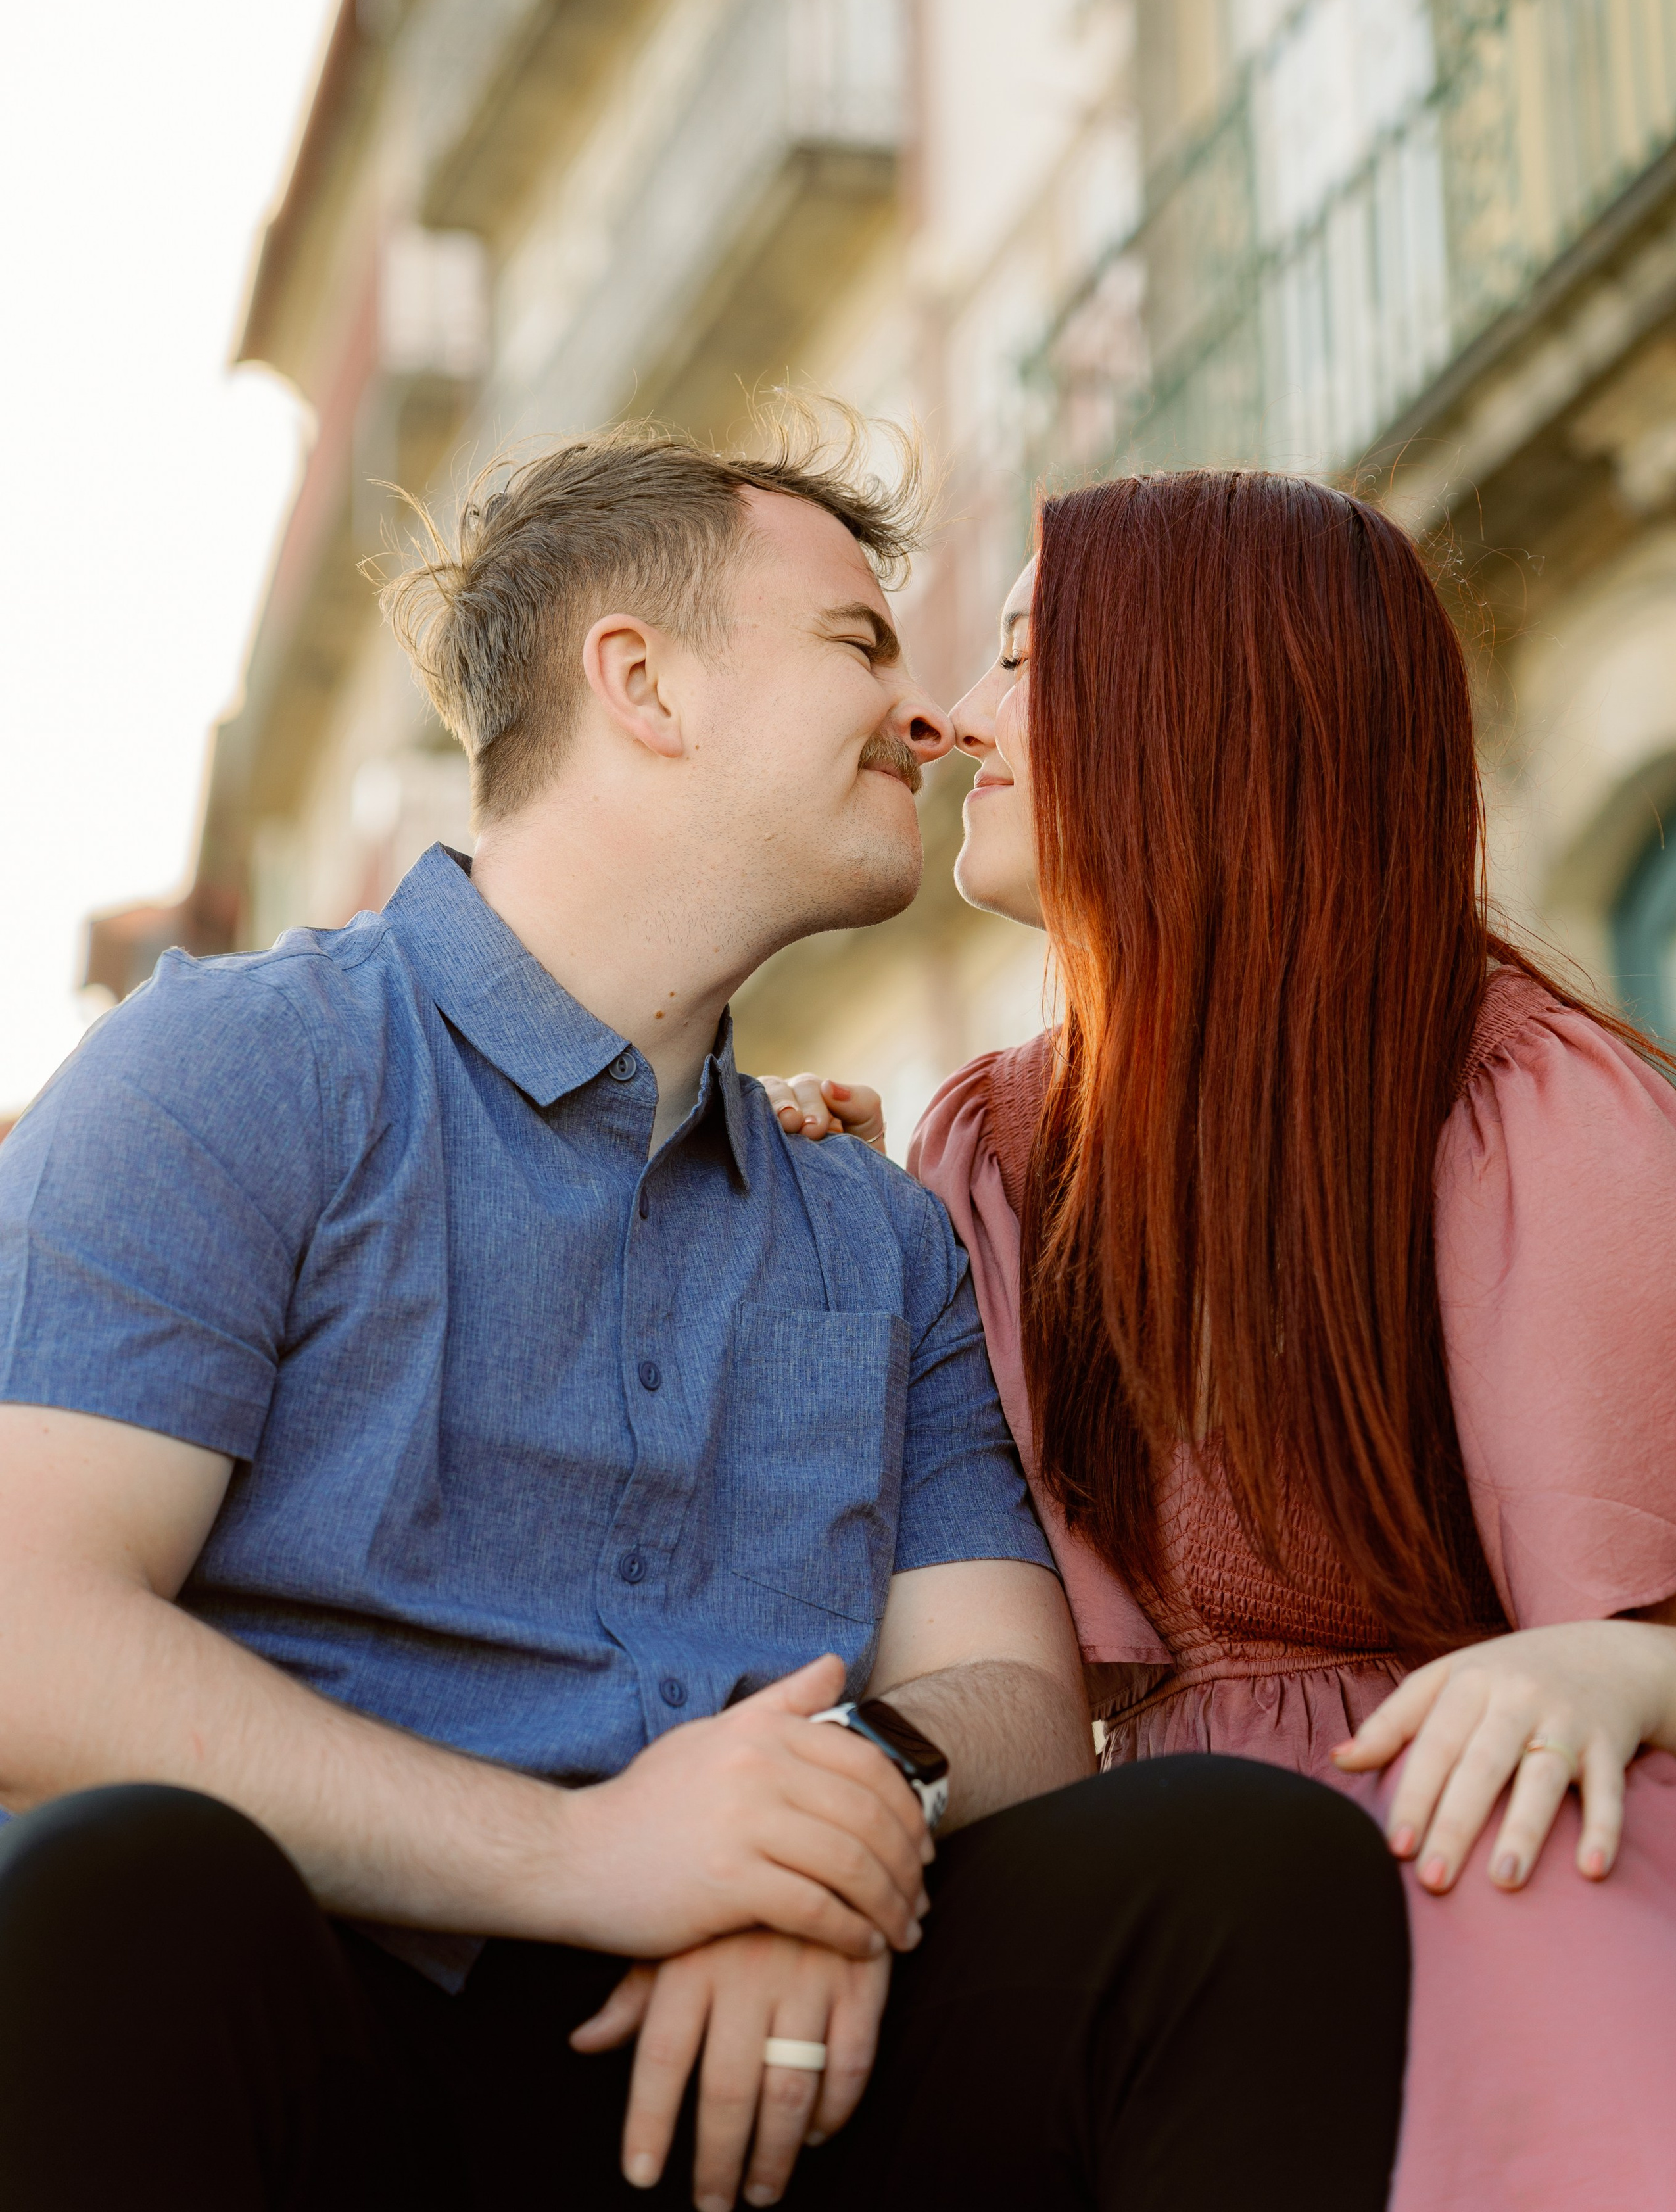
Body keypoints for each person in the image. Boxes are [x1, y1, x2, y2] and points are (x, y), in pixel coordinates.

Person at [0, 422, 1410, 2212]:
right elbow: (24, 1636)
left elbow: (1015, 1699)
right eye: (857, 645)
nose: (926, 717)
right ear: (641, 682)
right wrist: (595, 1859)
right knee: (123, 1892)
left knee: (1244, 1877)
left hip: (756, 2078)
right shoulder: (234, 1072)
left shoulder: (875, 1230)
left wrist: (825, 1829)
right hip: (332, 2021)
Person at [769, 466, 1676, 2211]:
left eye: (1030, 655)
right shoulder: (991, 1149)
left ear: (1205, 708)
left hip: (1497, 1858)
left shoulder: (1527, 1108)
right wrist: (808, 1220)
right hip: (1140, 1918)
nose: (956, 717)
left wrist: (1640, 1667)